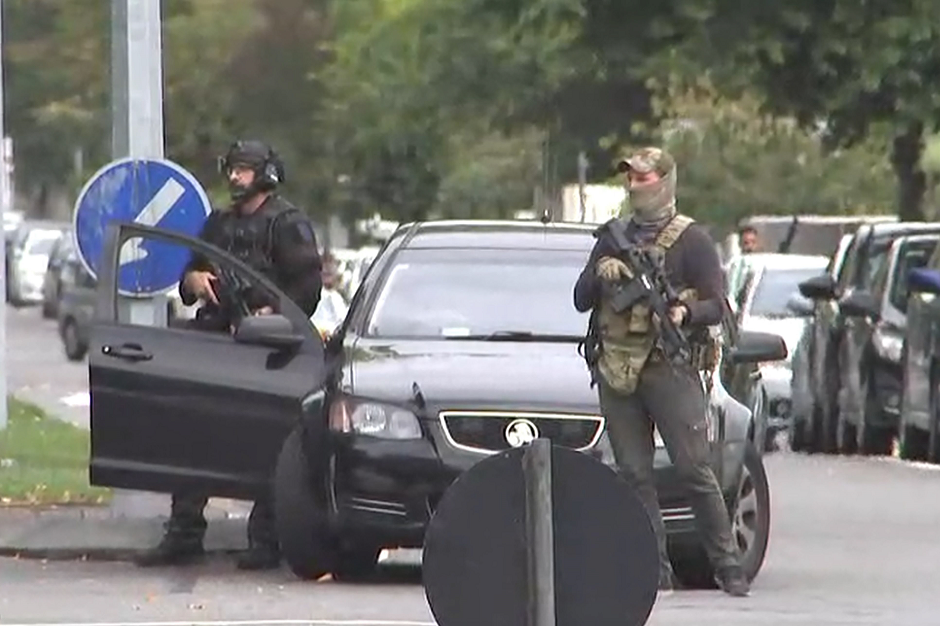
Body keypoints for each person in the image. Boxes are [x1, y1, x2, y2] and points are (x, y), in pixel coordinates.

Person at [135, 139, 323, 571]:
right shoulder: (217, 223)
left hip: (267, 346)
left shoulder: (287, 224)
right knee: (191, 432)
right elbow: (188, 275)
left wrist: (271, 312)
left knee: (266, 437)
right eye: (232, 169)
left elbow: (307, 289)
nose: (235, 178)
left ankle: (266, 538)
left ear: (266, 174)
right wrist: (196, 281)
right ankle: (183, 531)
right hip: (215, 336)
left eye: (243, 170)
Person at [573, 147, 750, 597]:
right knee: (633, 473)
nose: (634, 186)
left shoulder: (692, 240)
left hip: (670, 369)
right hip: (618, 368)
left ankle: (728, 565)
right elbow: (580, 297)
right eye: (629, 179)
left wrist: (683, 312)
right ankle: (652, 569)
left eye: (643, 178)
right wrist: (602, 271)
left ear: (666, 181)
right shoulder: (613, 237)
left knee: (694, 468)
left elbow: (719, 307)